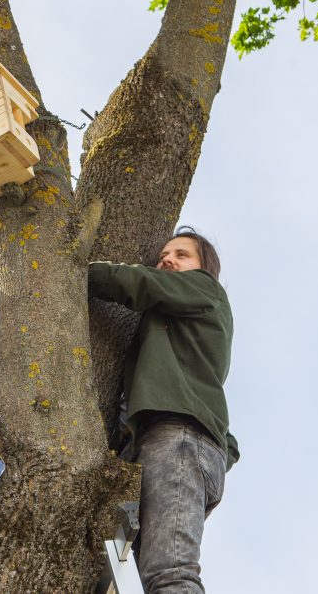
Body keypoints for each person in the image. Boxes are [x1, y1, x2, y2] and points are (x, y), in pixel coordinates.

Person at [88, 227, 239, 593]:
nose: (167, 260)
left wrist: (77, 268)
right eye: (163, 256)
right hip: (167, 448)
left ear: (205, 269)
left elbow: (142, 282)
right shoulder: (168, 333)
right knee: (116, 580)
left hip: (179, 442)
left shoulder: (205, 290)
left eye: (181, 255)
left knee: (169, 573)